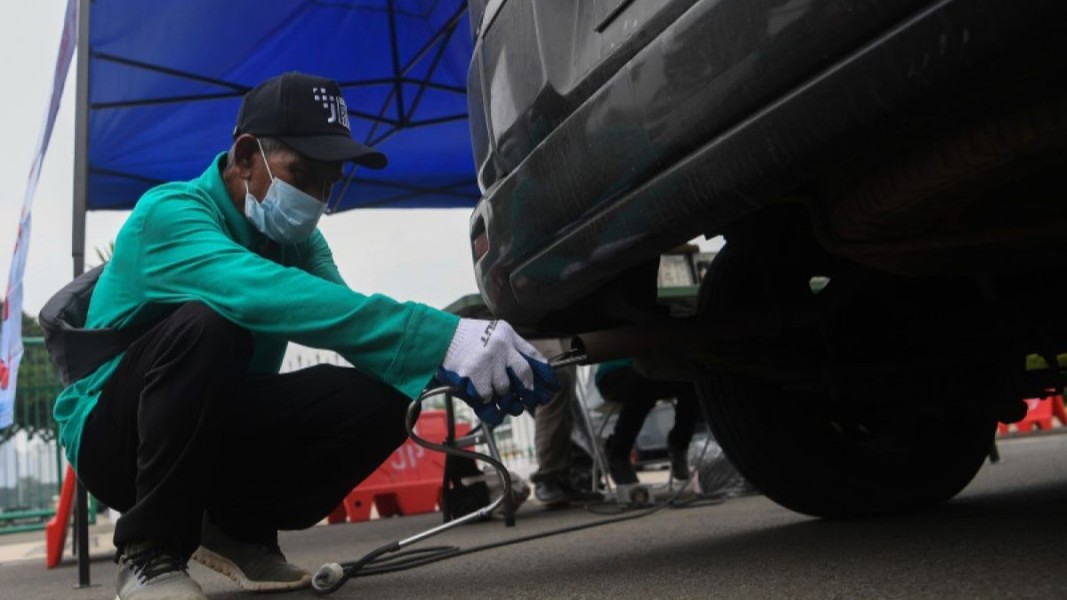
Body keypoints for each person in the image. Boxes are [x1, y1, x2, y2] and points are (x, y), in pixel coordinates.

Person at [49, 72, 558, 600]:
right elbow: (255, 292)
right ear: (245, 156)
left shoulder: (301, 244)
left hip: (213, 428)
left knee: (388, 397)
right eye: (302, 174)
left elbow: (351, 324)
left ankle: (236, 529)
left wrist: (449, 364)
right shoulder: (171, 214)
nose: (316, 197)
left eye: (328, 182)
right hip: (112, 439)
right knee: (212, 325)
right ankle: (148, 552)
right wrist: (441, 335)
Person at [595, 359, 699, 485]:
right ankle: (618, 453)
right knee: (644, 384)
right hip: (615, 372)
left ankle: (680, 443)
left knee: (694, 382)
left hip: (654, 370)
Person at [527, 338, 602, 507]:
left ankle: (563, 475)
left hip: (556, 327)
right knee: (555, 377)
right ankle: (548, 476)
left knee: (567, 394)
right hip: (521, 327)